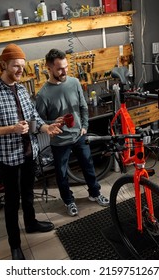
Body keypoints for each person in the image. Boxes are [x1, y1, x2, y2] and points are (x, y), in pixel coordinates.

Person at [0, 44, 62, 260]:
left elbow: (33, 118)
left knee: (29, 193)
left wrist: (46, 127)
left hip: (29, 153)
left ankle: (31, 223)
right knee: (12, 202)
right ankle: (15, 244)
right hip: (8, 158)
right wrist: (11, 129)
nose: (21, 70)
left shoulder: (22, 89)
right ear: (3, 65)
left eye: (22, 66)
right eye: (16, 66)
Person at [35, 48, 109, 217]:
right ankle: (69, 201)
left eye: (66, 67)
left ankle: (95, 193)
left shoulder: (74, 83)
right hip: (59, 141)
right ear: (49, 68)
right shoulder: (43, 95)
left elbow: (83, 107)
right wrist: (53, 123)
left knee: (88, 166)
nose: (64, 71)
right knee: (61, 175)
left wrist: (84, 125)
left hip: (78, 135)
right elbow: (39, 122)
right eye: (60, 68)